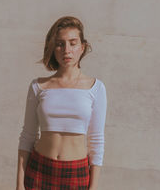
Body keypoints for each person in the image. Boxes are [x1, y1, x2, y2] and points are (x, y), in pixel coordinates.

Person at [16, 16, 107, 190]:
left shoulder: (96, 88)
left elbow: (96, 141)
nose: (67, 50)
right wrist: (20, 184)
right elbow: (27, 136)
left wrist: (93, 187)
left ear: (82, 47)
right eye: (60, 44)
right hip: (39, 169)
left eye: (73, 43)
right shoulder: (39, 86)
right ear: (53, 48)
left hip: (76, 173)